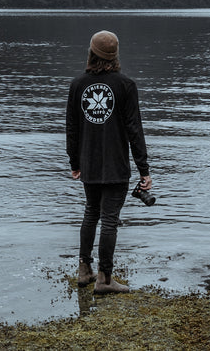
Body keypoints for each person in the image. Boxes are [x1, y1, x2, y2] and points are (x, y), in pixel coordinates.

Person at [66, 30, 151, 294]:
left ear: (91, 52)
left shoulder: (78, 85)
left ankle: (84, 270)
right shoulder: (125, 85)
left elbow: (72, 128)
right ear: (115, 55)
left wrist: (74, 163)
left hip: (89, 163)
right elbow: (134, 129)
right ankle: (104, 279)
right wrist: (143, 170)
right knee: (110, 220)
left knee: (91, 212)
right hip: (116, 165)